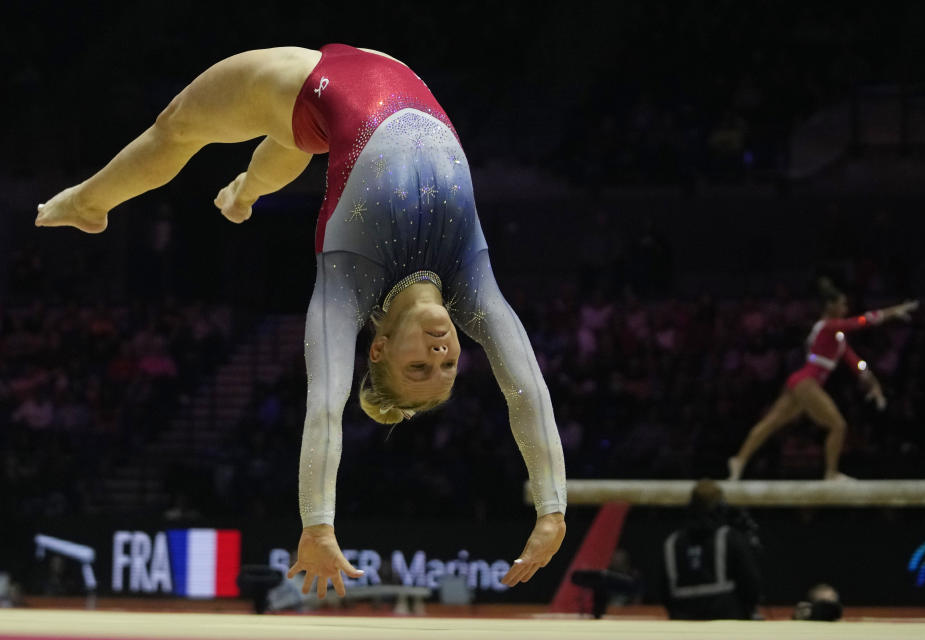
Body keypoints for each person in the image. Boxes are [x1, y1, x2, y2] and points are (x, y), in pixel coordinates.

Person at [36, 44, 567, 597]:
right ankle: (244, 190)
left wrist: (317, 523)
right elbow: (526, 388)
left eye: (419, 367)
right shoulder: (471, 281)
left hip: (312, 82)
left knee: (179, 125)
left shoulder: (349, 279)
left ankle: (89, 202)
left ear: (379, 349)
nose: (439, 353)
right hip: (352, 99)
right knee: (292, 135)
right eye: (450, 363)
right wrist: (552, 510)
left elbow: (324, 408)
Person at [728, 279, 918, 480]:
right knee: (838, 426)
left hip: (800, 383)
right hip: (806, 383)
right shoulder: (826, 326)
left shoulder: (838, 337)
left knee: (771, 423)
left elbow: (857, 363)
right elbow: (861, 322)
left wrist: (874, 384)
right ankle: (831, 473)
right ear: (830, 306)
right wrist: (893, 311)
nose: (846, 308)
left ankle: (739, 460)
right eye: (843, 304)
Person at [661, 480, 761, 620]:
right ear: (721, 507)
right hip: (725, 625)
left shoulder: (672, 543)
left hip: (684, 625)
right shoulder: (730, 539)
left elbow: (663, 593)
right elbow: (751, 585)